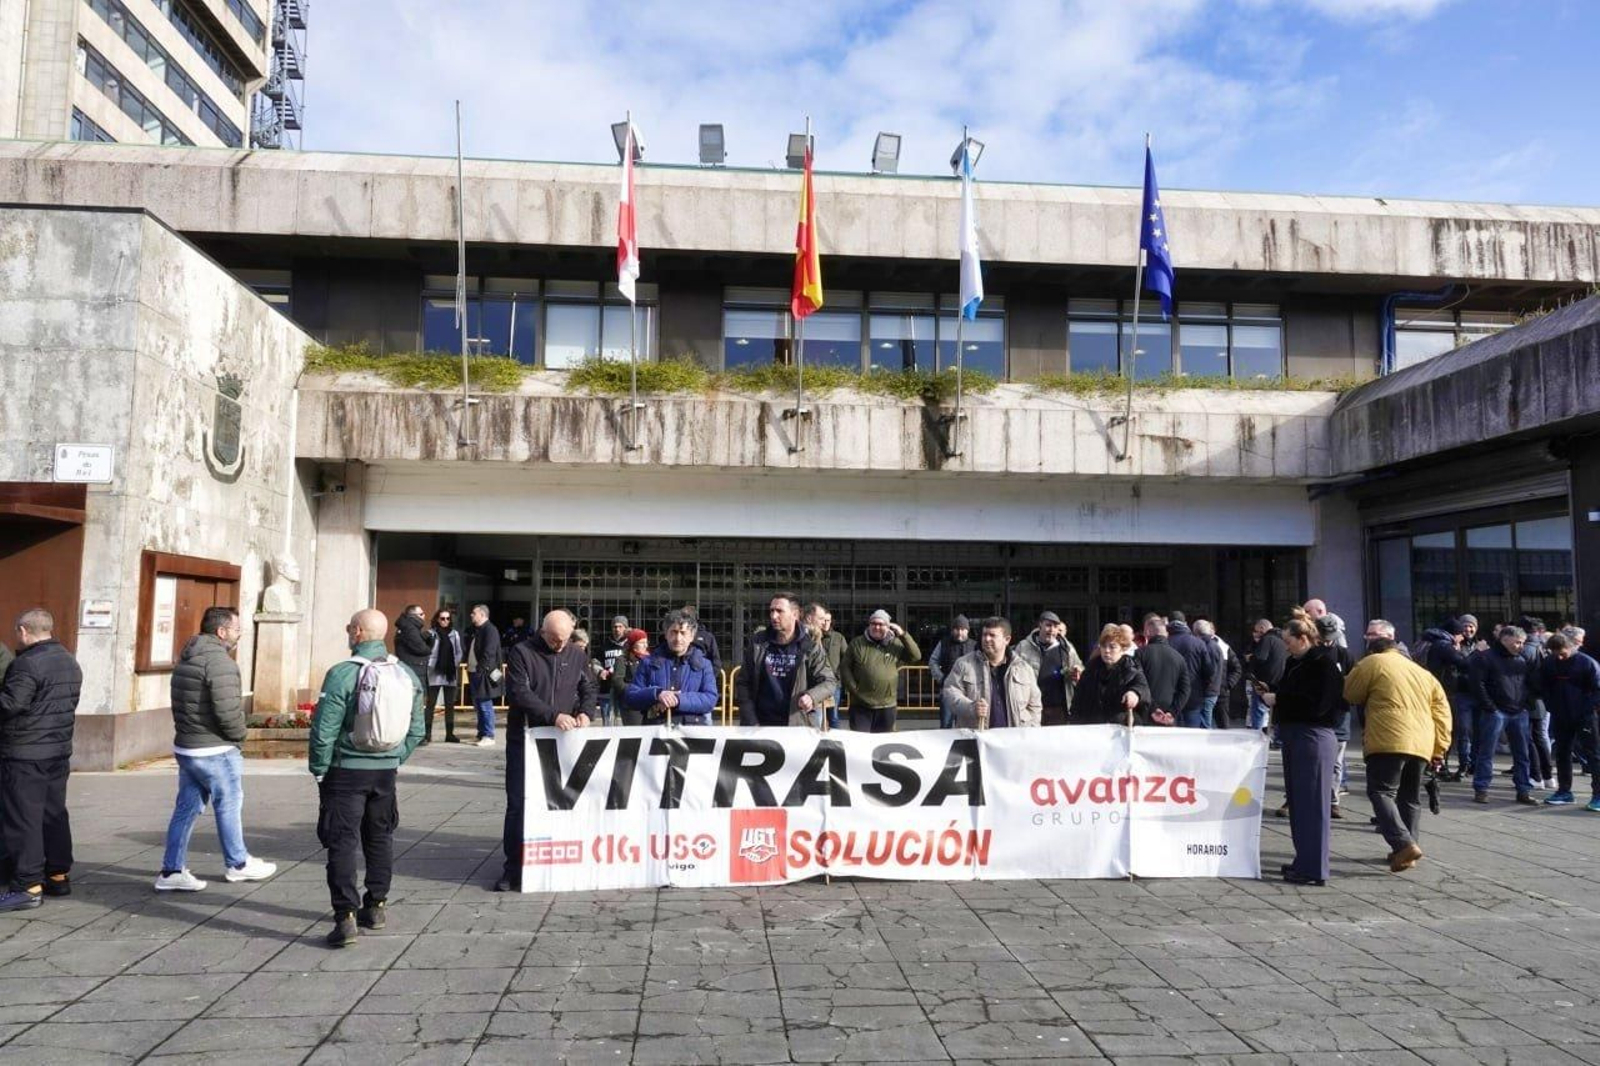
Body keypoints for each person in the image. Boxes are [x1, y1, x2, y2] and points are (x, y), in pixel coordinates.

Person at [308, 609, 425, 947]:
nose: (348, 632)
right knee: (380, 838)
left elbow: (324, 729)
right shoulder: (404, 674)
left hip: (346, 771)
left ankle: (345, 917)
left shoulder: (343, 674)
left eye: (349, 628)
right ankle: (376, 906)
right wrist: (394, 757)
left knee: (342, 842)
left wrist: (319, 767)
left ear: (358, 632)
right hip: (385, 772)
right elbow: (417, 730)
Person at [157, 607, 277, 892]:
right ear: (222, 632)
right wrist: (240, 736)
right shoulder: (220, 662)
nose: (239, 635)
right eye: (237, 630)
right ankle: (238, 864)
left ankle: (171, 870)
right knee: (229, 804)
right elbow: (228, 711)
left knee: (185, 809)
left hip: (188, 747)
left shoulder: (187, 657)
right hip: (214, 748)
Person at [500, 610, 596, 891]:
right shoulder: (521, 652)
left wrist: (586, 712)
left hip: (562, 741)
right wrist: (553, 714)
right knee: (519, 802)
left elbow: (588, 686)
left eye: (565, 640)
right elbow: (519, 691)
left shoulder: (576, 654)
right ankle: (513, 867)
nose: (560, 645)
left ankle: (556, 860)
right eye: (555, 640)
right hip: (526, 737)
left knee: (561, 803)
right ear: (543, 632)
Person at [1343, 630, 1451, 873]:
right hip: (1422, 742)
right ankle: (1407, 852)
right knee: (1410, 798)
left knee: (1381, 791)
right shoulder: (1424, 674)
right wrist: (1439, 749)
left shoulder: (1373, 662)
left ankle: (1403, 844)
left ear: (1374, 650)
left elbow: (1350, 693)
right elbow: (1443, 714)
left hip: (1388, 739)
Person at [0, 609, 82, 911]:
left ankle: (27, 885)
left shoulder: (26, 664)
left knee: (23, 819)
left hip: (25, 753)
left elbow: (11, 704)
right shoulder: (69, 660)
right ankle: (58, 875)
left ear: (23, 630)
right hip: (57, 751)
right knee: (53, 814)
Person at [1258, 619, 1342, 887]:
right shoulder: (1298, 663)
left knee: (1313, 804)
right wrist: (1274, 695)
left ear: (1304, 638)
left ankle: (1315, 867)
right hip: (1296, 734)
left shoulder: (1324, 665)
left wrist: (1280, 699)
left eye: (1289, 640)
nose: (1286, 645)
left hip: (1313, 735)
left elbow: (1319, 704)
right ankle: (1304, 860)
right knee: (1299, 802)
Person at [735, 593, 835, 728]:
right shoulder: (758, 642)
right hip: (759, 726)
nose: (773, 616)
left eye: (779, 611)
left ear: (795, 614)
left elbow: (829, 681)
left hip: (796, 725)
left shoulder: (809, 645)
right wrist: (750, 719)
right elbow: (743, 683)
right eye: (771, 611)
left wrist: (812, 696)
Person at [1469, 624, 1540, 805]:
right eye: (1517, 642)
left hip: (1518, 711)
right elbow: (1478, 684)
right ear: (1505, 639)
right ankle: (1482, 788)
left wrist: (1526, 704)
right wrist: (1490, 707)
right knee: (1486, 751)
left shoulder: (1521, 660)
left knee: (1522, 753)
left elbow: (1529, 684)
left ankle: (1523, 789)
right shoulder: (1486, 658)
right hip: (1496, 711)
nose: (1520, 646)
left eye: (1522, 642)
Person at [942, 617, 1042, 728]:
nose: (987, 639)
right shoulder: (964, 664)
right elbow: (950, 692)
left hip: (1014, 739)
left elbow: (1035, 705)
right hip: (977, 738)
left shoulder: (1023, 668)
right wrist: (971, 707)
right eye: (984, 635)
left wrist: (1031, 729)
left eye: (992, 635)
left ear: (1007, 639)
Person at [1538, 632, 1600, 809]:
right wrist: (1551, 705)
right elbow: (1544, 685)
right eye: (1555, 653)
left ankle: (1598, 794)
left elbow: (1597, 689)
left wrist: (1588, 710)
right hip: (1561, 714)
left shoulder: (1587, 663)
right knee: (1562, 753)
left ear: (1571, 647)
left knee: (1593, 755)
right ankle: (1564, 791)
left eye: (1562, 653)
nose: (1559, 656)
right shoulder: (1549, 662)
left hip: (1585, 716)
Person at [625, 611, 719, 726]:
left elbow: (710, 699)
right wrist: (656, 694)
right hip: (656, 731)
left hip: (692, 733)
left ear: (691, 636)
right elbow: (632, 697)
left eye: (683, 633)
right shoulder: (648, 663)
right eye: (674, 632)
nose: (678, 638)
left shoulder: (704, 665)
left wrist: (678, 699)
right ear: (666, 634)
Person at [1416, 617, 1479, 782]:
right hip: (1443, 692)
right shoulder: (1444, 645)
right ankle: (1438, 765)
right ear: (1455, 634)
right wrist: (1477, 651)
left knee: (1436, 727)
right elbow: (1464, 664)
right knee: (1445, 728)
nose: (1463, 637)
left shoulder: (1430, 641)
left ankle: (1434, 763)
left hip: (1430, 689)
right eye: (1460, 634)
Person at [840, 609, 921, 734]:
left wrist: (903, 634)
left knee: (884, 744)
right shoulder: (857, 643)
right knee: (860, 743)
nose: (877, 627)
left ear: (888, 627)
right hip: (861, 706)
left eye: (881, 624)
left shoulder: (895, 644)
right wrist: (854, 688)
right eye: (873, 623)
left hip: (887, 706)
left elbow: (916, 656)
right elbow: (845, 667)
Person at [1070, 625, 1153, 725]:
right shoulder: (1090, 669)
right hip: (1092, 729)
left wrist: (1135, 693)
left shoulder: (1131, 667)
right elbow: (1078, 700)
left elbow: (1142, 687)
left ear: (1122, 649)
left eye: (1112, 647)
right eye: (1103, 646)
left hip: (1120, 729)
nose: (1107, 651)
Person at [1014, 611, 1084, 726]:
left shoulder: (1067, 648)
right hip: (1031, 708)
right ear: (1040, 625)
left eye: (1055, 626)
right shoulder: (1023, 647)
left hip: (1059, 709)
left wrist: (1077, 671)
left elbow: (1079, 668)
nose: (1052, 630)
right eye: (1048, 625)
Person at [1166, 611, 1217, 728]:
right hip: (1194, 693)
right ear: (1185, 623)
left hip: (1170, 695)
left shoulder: (1166, 642)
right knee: (1193, 733)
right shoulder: (1198, 643)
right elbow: (1209, 671)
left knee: (1171, 735)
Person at [1134, 615, 1185, 727]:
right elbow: (1185, 689)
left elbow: (1138, 683)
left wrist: (1153, 709)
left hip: (1145, 714)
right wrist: (1172, 712)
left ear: (1147, 632)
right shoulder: (1179, 657)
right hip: (1168, 716)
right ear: (1166, 634)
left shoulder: (1139, 654)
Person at [803, 603, 848, 730]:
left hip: (822, 689)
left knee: (830, 719)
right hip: (807, 695)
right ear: (810, 618)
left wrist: (836, 677)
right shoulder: (804, 638)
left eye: (826, 620)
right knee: (814, 727)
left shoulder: (835, 638)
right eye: (821, 619)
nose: (824, 623)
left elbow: (846, 659)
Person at [393, 605, 434, 740]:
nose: (424, 616)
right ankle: (415, 735)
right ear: (414, 616)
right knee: (415, 706)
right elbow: (422, 649)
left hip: (414, 668)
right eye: (421, 614)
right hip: (413, 670)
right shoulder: (409, 628)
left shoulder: (409, 628)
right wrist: (429, 641)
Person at [929, 615, 976, 728]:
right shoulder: (943, 643)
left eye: (963, 629)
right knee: (946, 725)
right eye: (956, 629)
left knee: (967, 725)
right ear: (952, 630)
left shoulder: (975, 645)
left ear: (967, 630)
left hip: (969, 692)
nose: (959, 632)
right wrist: (941, 678)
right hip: (948, 691)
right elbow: (933, 661)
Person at [466, 604, 503, 747]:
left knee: (485, 704)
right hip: (475, 672)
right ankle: (481, 733)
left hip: (483, 674)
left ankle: (489, 735)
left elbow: (489, 652)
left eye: (474, 613)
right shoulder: (479, 630)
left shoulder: (490, 630)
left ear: (482, 614)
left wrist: (481, 670)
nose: (471, 615)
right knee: (478, 704)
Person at [424, 609, 463, 743]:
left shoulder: (454, 634)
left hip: (449, 672)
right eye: (442, 618)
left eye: (447, 618)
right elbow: (425, 650)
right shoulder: (431, 634)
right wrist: (430, 663)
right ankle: (427, 734)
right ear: (437, 619)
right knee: (431, 704)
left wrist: (454, 663)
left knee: (449, 705)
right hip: (434, 671)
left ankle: (449, 734)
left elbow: (459, 652)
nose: (445, 621)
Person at [1194, 620, 1241, 729]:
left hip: (1221, 694)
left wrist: (1227, 685)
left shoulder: (1223, 646)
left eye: (1210, 629)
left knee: (1222, 725)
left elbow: (1237, 668)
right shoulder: (1201, 644)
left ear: (1213, 630)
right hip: (1208, 691)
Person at [1246, 619, 1288, 739]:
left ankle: (1256, 737)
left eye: (1256, 630)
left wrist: (1251, 658)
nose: (1255, 633)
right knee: (1278, 711)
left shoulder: (1267, 639)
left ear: (1262, 628)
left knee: (1259, 710)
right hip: (1280, 680)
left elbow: (1260, 658)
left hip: (1264, 681)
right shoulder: (1282, 639)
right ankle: (1279, 739)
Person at [594, 616, 631, 726]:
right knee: (607, 723)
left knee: (623, 723)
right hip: (607, 690)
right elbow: (595, 661)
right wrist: (600, 671)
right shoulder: (605, 645)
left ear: (625, 628)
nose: (617, 629)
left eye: (620, 626)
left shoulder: (630, 646)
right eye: (615, 626)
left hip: (624, 689)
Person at [609, 629, 650, 724]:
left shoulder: (650, 659)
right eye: (641, 643)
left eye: (646, 642)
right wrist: (632, 692)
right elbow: (617, 681)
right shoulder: (623, 660)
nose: (646, 645)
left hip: (649, 702)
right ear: (633, 643)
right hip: (632, 704)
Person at [682, 605, 723, 677]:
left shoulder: (707, 637)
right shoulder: (677, 635)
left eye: (685, 617)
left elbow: (716, 662)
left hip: (701, 675)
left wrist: (707, 677)